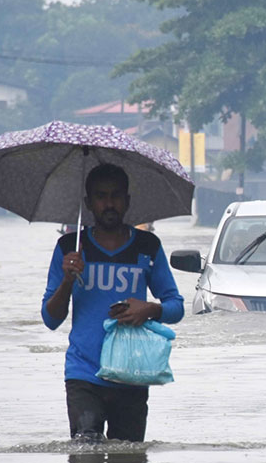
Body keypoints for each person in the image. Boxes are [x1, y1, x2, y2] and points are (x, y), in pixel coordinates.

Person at [42, 163, 184, 442]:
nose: (109, 203)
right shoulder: (69, 249)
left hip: (132, 373)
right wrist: (68, 280)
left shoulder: (147, 246)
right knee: (85, 461)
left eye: (116, 196)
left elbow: (176, 306)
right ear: (89, 203)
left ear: (127, 201)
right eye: (101, 196)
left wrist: (151, 309)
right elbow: (50, 318)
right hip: (83, 374)